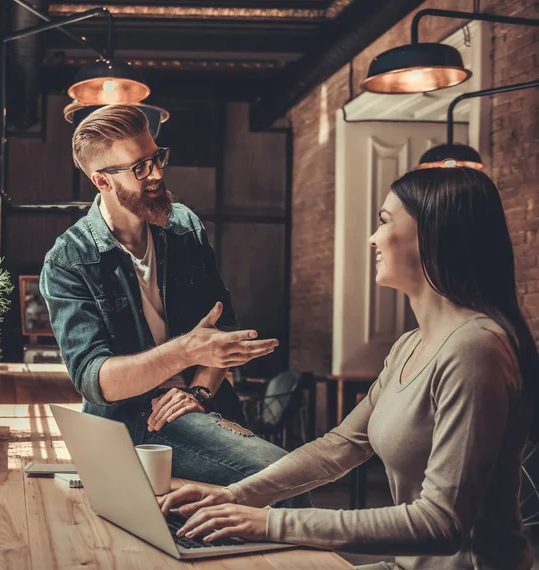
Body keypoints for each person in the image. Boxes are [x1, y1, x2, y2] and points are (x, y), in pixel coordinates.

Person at [159, 167, 539, 570]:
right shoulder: (411, 344)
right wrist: (235, 495)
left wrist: (271, 522)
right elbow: (340, 446)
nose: (373, 238)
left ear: (432, 234)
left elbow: (441, 522)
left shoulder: (475, 348)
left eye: (385, 222)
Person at [39, 104, 309, 507]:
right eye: (140, 168)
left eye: (157, 159)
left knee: (291, 479)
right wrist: (184, 351)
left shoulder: (183, 227)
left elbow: (222, 330)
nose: (158, 175)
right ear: (102, 181)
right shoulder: (69, 260)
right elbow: (97, 381)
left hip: (204, 404)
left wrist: (199, 391)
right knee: (285, 480)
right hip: (133, 423)